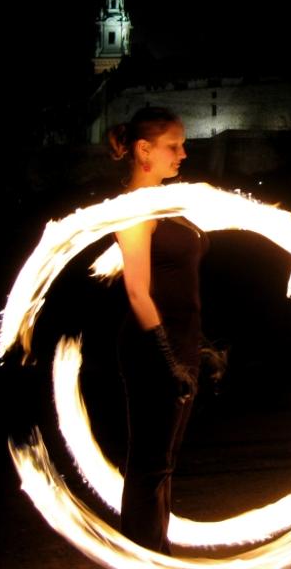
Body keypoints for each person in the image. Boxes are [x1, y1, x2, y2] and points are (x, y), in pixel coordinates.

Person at [107, 107, 209, 553]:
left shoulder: (167, 203)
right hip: (152, 346)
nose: (184, 153)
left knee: (163, 464)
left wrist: (199, 347)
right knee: (150, 465)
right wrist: (166, 357)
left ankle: (155, 554)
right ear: (144, 150)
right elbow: (137, 291)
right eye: (174, 145)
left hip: (180, 342)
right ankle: (143, 557)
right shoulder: (133, 208)